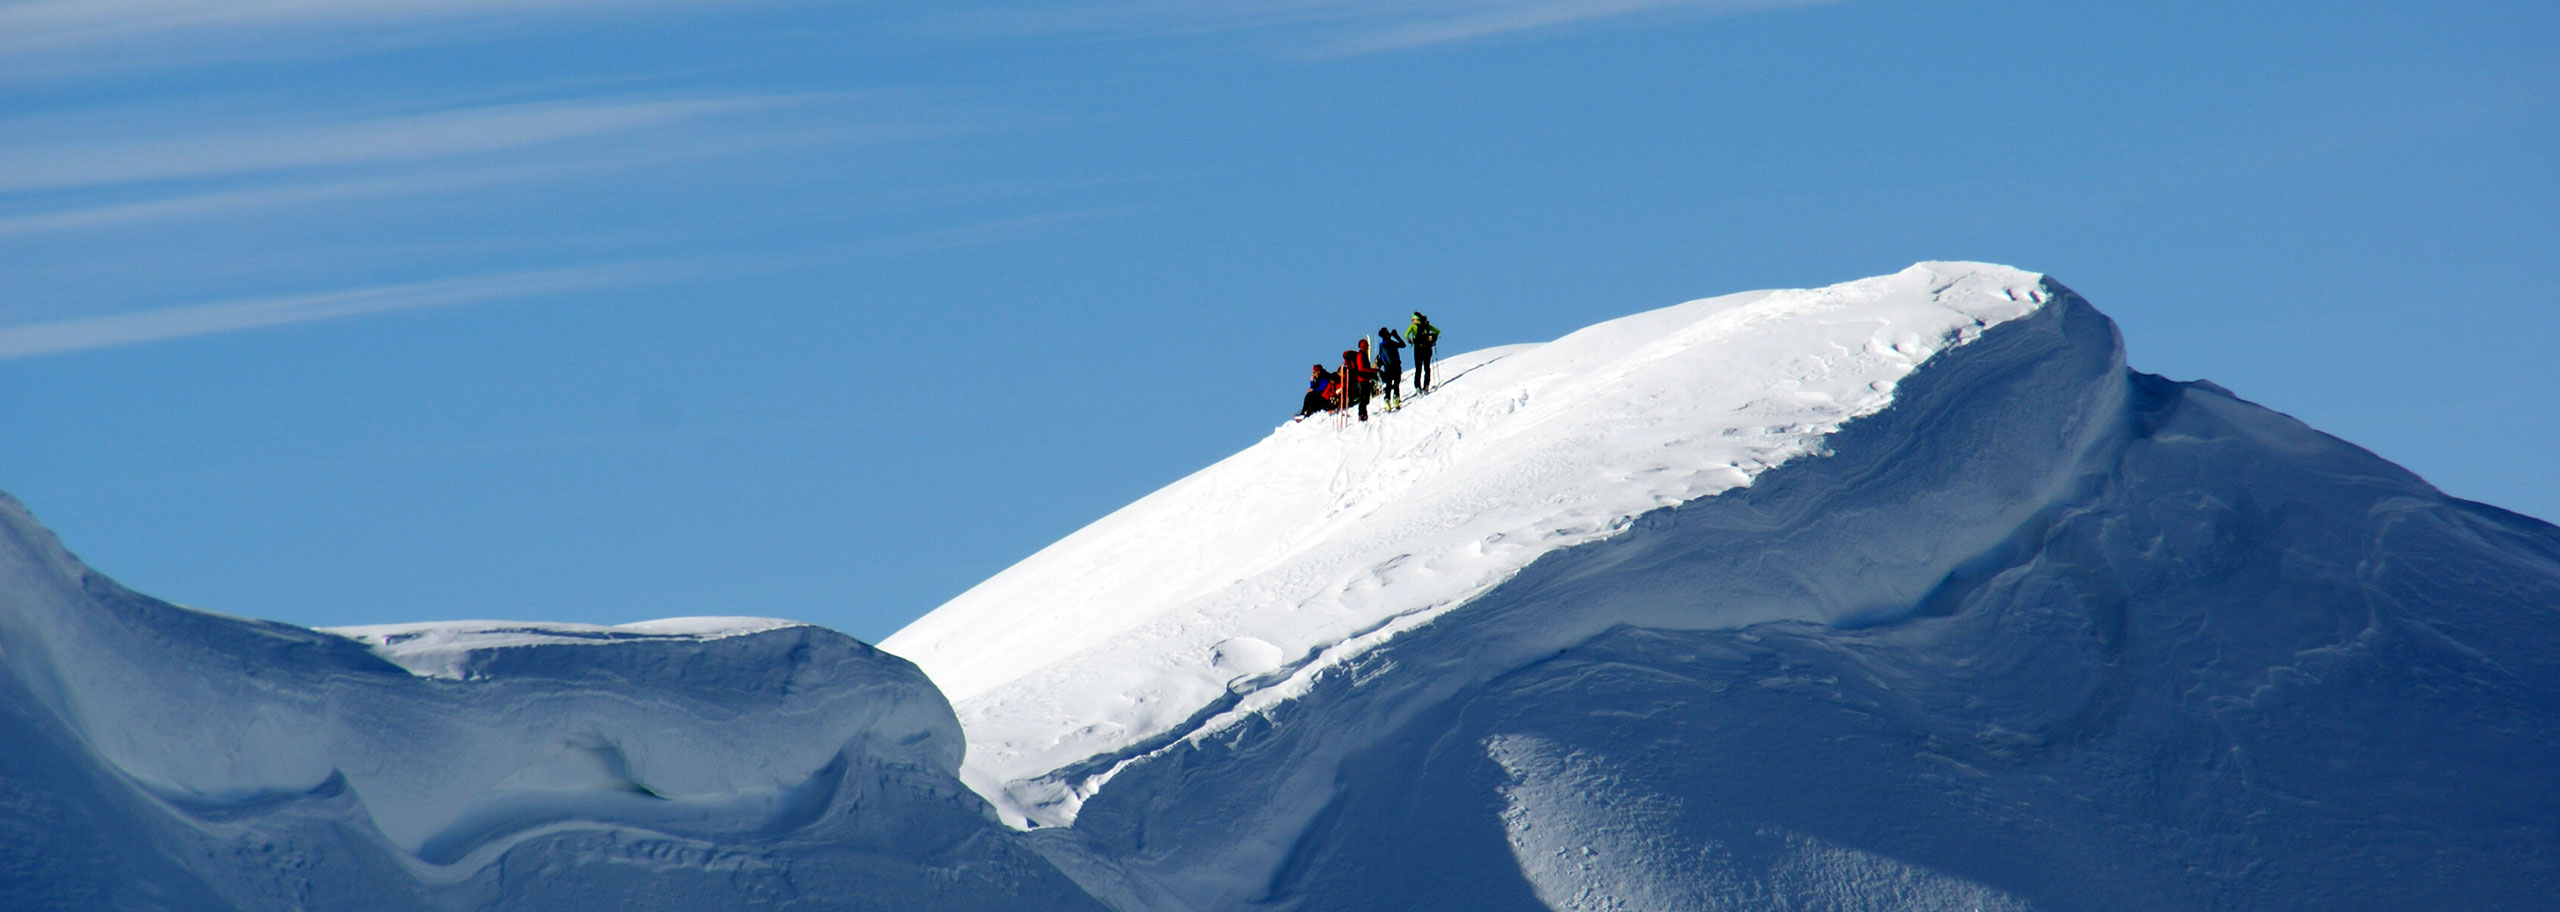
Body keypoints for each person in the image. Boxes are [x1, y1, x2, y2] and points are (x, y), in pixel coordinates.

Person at [1340, 343, 1376, 421]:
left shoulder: (1362, 355)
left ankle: (1362, 414)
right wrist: (1373, 371)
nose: (1367, 348)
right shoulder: (1360, 356)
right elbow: (1361, 368)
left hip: (1364, 379)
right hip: (1361, 379)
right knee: (1363, 398)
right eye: (1366, 347)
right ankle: (1362, 414)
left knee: (1365, 399)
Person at [1408, 312, 1440, 393]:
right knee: (1427, 368)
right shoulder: (1427, 325)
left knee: (1418, 369)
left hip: (1418, 349)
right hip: (1427, 349)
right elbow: (1437, 331)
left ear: (1417, 319)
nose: (1412, 321)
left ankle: (1418, 387)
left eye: (1413, 319)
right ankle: (1426, 385)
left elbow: (1406, 334)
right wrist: (1431, 338)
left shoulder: (1413, 326)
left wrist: (1410, 340)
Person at [1375, 327, 1406, 411]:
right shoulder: (1392, 343)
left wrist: (1379, 366)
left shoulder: (1382, 345)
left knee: (1388, 384)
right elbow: (1403, 345)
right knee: (1396, 383)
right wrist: (1396, 336)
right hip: (1396, 365)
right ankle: (1396, 399)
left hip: (1387, 367)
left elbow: (1381, 357)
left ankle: (1387, 400)